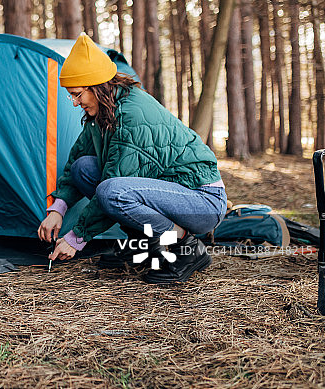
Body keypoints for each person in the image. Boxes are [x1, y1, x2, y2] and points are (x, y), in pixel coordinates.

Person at [37, 34, 226, 283]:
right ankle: (145, 245)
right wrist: (58, 210)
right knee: (84, 168)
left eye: (77, 94)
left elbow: (114, 185)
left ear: (97, 87)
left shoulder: (131, 115)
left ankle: (187, 248)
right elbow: (76, 159)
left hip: (201, 202)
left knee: (111, 191)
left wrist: (75, 238)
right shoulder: (103, 112)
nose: (74, 102)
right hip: (168, 193)